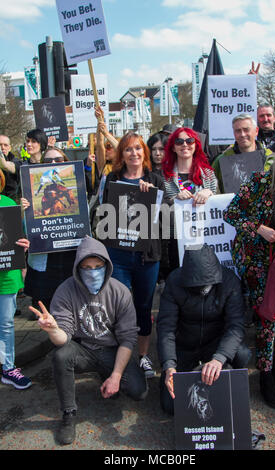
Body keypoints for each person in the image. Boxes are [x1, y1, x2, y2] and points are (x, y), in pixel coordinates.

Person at [29, 236, 147, 445]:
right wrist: (53, 329)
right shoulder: (65, 290)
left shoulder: (120, 291)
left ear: (106, 266)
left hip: (112, 350)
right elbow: (63, 338)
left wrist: (116, 377)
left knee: (139, 391)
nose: (92, 271)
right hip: (82, 349)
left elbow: (128, 339)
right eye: (86, 267)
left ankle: (107, 374)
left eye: (97, 266)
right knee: (61, 355)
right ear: (77, 268)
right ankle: (68, 414)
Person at [223, 136, 275, 410]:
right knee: (269, 319)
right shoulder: (259, 182)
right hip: (259, 262)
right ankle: (265, 377)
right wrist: (259, 228)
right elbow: (231, 214)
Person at [92, 131, 165, 378]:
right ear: (121, 154)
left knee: (144, 307)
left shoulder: (156, 178)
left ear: (144, 152)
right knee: (118, 308)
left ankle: (143, 357)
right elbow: (102, 212)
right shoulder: (111, 179)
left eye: (137, 148)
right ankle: (117, 357)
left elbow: (165, 219)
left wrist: (153, 195)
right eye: (128, 149)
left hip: (146, 257)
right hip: (118, 255)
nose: (134, 153)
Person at [156, 244, 251, 416]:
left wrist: (219, 358)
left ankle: (227, 371)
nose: (203, 289)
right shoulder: (174, 281)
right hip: (184, 344)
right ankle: (189, 372)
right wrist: (169, 365)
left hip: (214, 343)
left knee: (242, 354)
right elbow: (165, 328)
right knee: (170, 406)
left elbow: (235, 326)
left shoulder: (229, 281)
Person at [21, 146, 76, 316]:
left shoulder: (70, 188)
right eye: (48, 161)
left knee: (70, 307)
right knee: (47, 309)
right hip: (44, 258)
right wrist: (24, 212)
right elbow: (27, 228)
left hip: (68, 256)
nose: (52, 163)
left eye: (58, 160)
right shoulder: (35, 191)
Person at [161, 127, 217, 273]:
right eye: (179, 141)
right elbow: (158, 207)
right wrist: (174, 199)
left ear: (195, 144)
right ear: (173, 147)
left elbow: (219, 205)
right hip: (175, 240)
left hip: (204, 237)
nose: (185, 145)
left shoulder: (209, 174)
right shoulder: (163, 176)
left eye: (189, 140)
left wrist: (209, 192)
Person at [0, 193, 32, 389]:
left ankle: (8, 368)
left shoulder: (8, 203)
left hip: (6, 276)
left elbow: (16, 237)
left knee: (6, 324)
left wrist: (23, 246)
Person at [212, 114, 274, 194]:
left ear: (256, 131)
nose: (242, 134)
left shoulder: (271, 158)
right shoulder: (221, 161)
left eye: (246, 130)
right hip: (231, 205)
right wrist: (191, 188)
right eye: (238, 131)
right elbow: (207, 186)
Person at [0, 135, 22, 201]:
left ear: (10, 148)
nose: (2, 147)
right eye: (0, 145)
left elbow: (9, 167)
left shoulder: (17, 162)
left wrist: (4, 164)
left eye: (5, 145)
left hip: (12, 203)